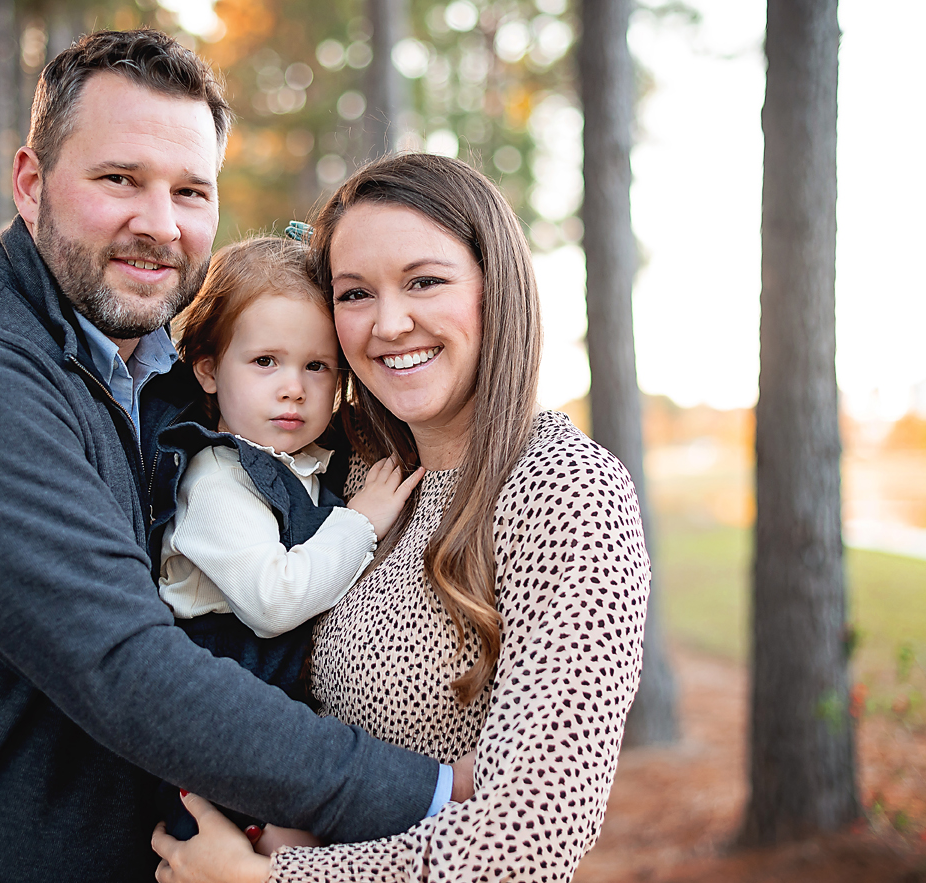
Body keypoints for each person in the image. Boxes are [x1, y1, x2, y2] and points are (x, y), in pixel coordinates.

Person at [0, 31, 463, 883]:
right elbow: (128, 669)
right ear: (30, 184)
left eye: (190, 191)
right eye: (119, 179)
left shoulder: (170, 389)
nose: (159, 224)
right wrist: (423, 791)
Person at [152, 153, 652, 883]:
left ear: (494, 287)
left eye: (424, 281)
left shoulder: (566, 492)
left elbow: (528, 841)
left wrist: (267, 880)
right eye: (355, 293)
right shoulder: (340, 464)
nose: (389, 323)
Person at [151, 236, 423, 839]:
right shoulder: (216, 477)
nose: (294, 387)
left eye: (317, 365)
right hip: (224, 732)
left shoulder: (303, 461)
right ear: (209, 371)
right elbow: (274, 603)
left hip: (276, 725)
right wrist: (360, 523)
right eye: (265, 362)